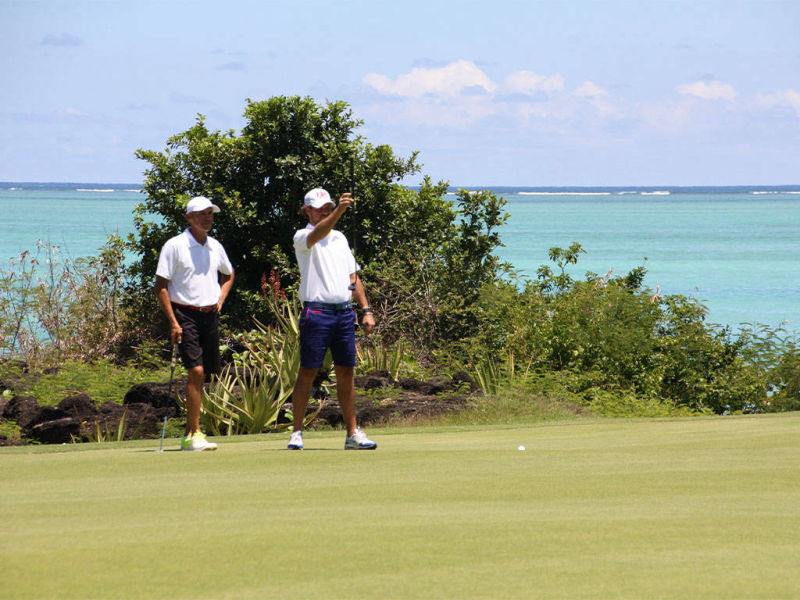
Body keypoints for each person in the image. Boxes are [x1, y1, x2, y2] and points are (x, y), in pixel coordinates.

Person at [288, 187, 377, 450]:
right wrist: (340, 210)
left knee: (346, 371)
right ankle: (296, 432)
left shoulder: (340, 238)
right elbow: (317, 234)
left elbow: (353, 276)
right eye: (319, 209)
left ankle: (352, 433)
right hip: (316, 312)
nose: (324, 212)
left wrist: (366, 309)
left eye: (328, 207)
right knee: (308, 370)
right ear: (307, 211)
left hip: (343, 312)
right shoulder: (302, 236)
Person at [154, 196, 234, 451]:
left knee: (206, 373)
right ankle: (194, 433)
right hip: (184, 314)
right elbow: (161, 287)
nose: (207, 218)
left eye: (210, 214)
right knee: (196, 371)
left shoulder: (215, 246)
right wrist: (174, 322)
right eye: (202, 214)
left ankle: (191, 432)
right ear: (189, 217)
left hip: (209, 314)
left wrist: (221, 298)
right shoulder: (174, 246)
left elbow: (229, 274)